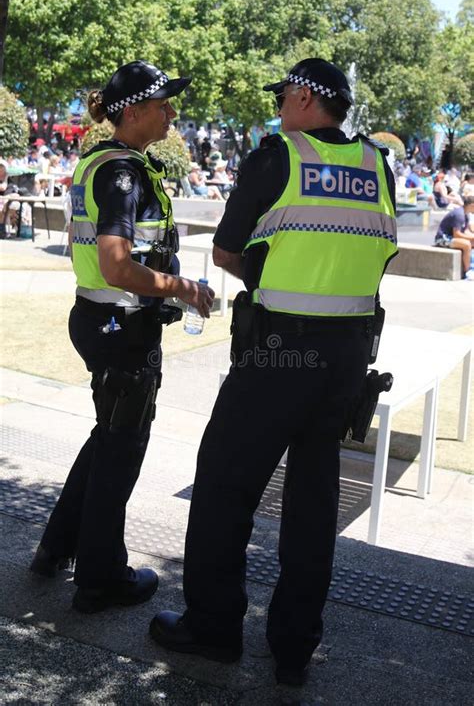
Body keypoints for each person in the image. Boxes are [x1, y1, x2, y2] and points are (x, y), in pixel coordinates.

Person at [149, 58, 398, 685]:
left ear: (310, 100)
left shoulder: (276, 157)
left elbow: (228, 250)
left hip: (279, 349)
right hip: (347, 354)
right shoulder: (377, 166)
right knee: (313, 498)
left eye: (286, 94)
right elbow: (380, 252)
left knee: (225, 483)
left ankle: (212, 626)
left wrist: (273, 279)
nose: (280, 105)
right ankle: (293, 648)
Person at [29, 60, 215, 613]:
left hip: (102, 320)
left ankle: (55, 549)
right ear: (131, 112)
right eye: (163, 106)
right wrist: (181, 285)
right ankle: (101, 579)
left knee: (107, 436)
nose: (172, 115)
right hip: (122, 327)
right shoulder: (122, 174)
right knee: (122, 451)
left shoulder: (106, 163)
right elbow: (116, 264)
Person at [434, 195, 474, 277]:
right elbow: (457, 234)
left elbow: (465, 231)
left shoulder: (466, 214)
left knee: (472, 242)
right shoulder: (459, 214)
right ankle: (468, 272)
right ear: (472, 206)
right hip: (442, 239)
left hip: (452, 238)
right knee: (467, 245)